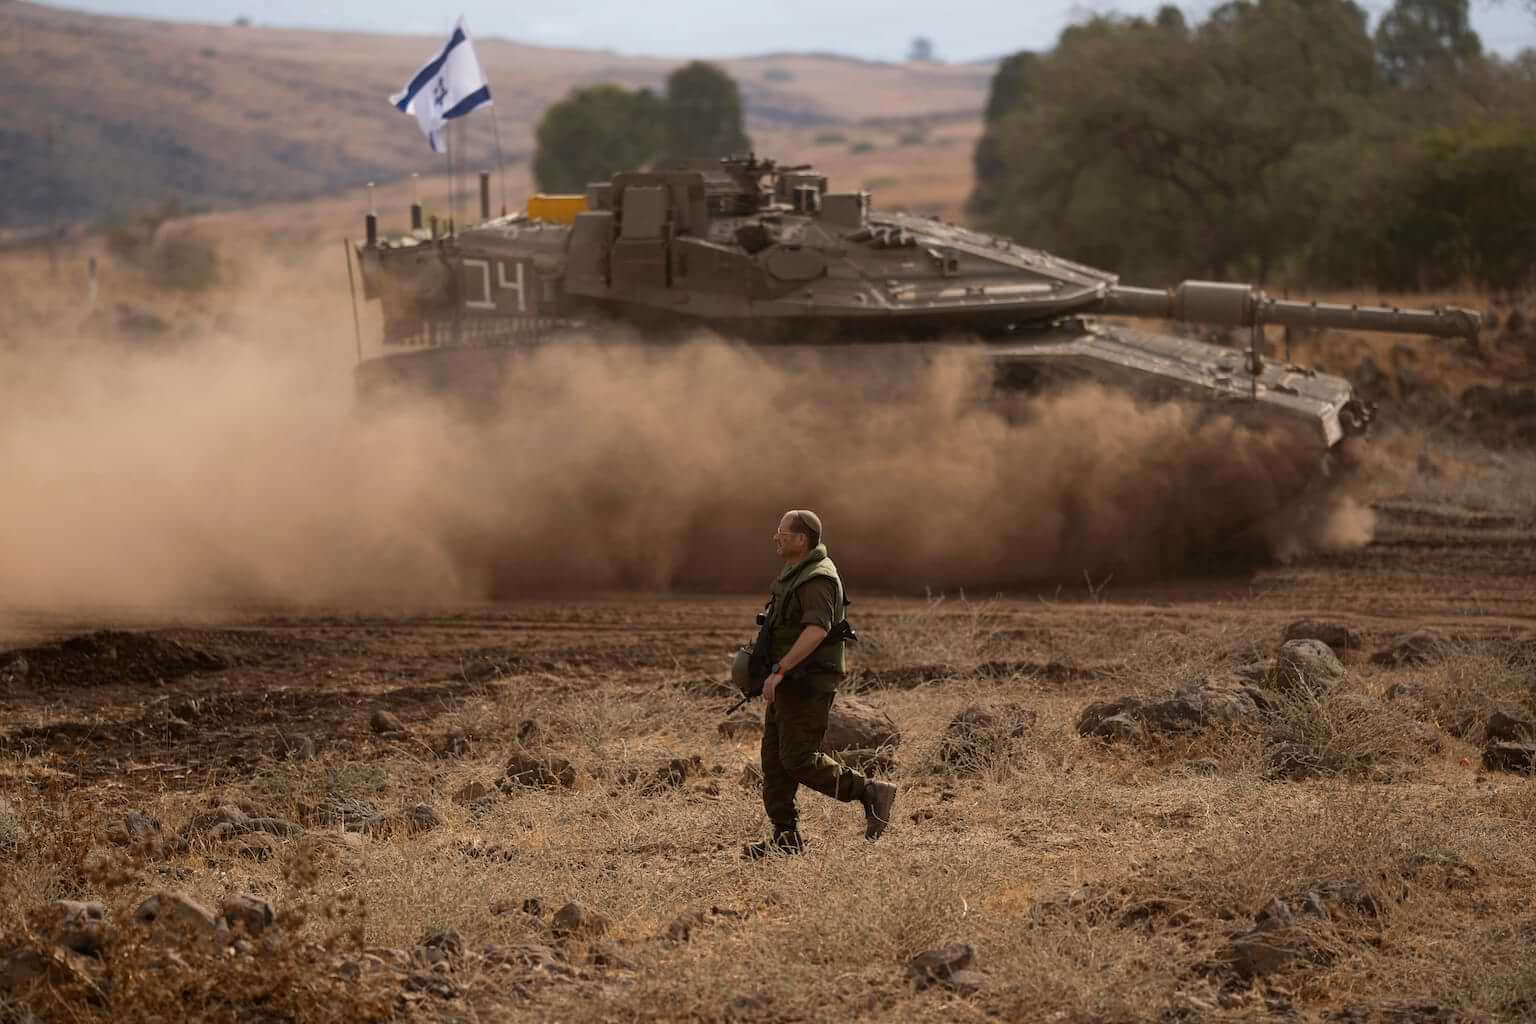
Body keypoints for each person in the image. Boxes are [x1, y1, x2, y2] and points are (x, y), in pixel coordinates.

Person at [744, 509, 897, 859]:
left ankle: (870, 791)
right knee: (774, 760)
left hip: (806, 682)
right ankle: (785, 837)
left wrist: (780, 669)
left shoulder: (818, 578)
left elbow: (816, 630)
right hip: (788, 681)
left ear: (801, 539)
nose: (775, 537)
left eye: (781, 532)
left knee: (798, 759)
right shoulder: (794, 574)